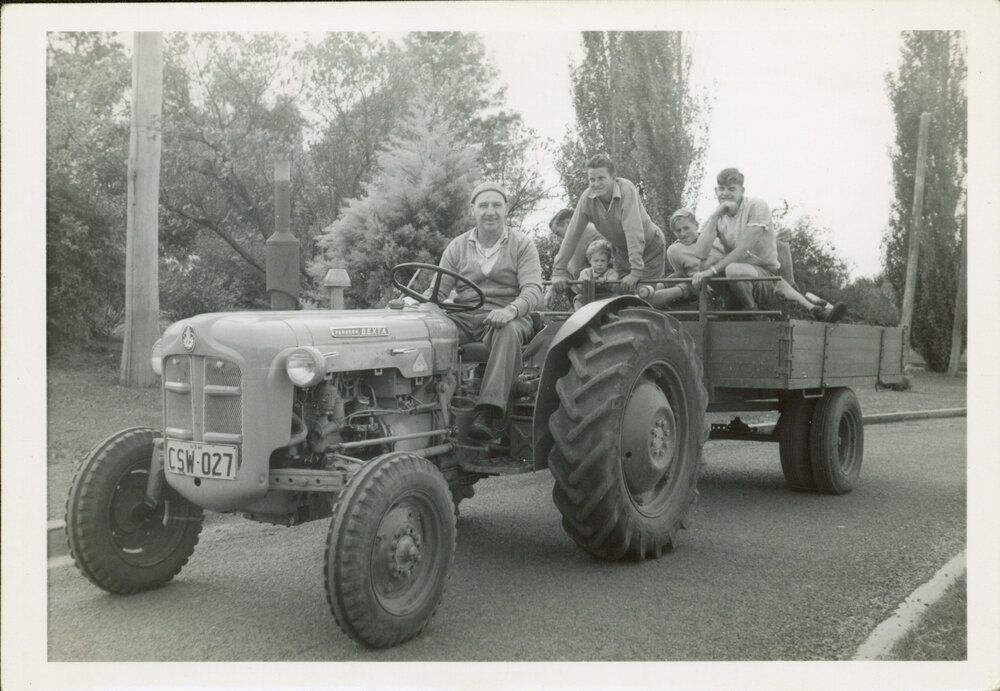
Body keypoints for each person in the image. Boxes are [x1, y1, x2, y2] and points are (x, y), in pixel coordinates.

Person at [432, 181, 543, 443]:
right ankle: (433, 409)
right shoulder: (457, 247)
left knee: (506, 331)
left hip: (509, 317)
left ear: (506, 210)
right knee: (428, 331)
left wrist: (511, 310)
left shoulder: (522, 245)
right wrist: (413, 305)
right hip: (464, 315)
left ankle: (489, 413)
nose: (490, 211)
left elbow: (534, 290)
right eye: (483, 205)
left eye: (496, 205)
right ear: (473, 210)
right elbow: (437, 292)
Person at [688, 168, 846, 322]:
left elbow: (744, 248)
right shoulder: (719, 215)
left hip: (765, 274)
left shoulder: (756, 206)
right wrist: (716, 215)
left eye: (731, 189)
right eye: (721, 189)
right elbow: (700, 253)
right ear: (716, 191)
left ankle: (752, 311)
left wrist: (713, 270)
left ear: (742, 190)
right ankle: (733, 304)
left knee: (732, 269)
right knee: (705, 263)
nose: (725, 193)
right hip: (739, 276)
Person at [550, 155, 667, 297]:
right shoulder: (587, 199)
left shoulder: (626, 189)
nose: (596, 184)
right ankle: (660, 286)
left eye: (601, 178)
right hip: (622, 252)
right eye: (591, 179)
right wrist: (558, 271)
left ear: (613, 177)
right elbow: (571, 235)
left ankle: (673, 289)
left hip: (650, 247)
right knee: (619, 299)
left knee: (643, 297)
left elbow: (633, 232)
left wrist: (636, 271)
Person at [646, 208, 725, 309]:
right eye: (678, 230)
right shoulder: (675, 250)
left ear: (696, 225)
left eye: (686, 228)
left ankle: (644, 303)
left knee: (681, 288)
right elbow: (681, 273)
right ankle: (642, 294)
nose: (683, 234)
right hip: (691, 280)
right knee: (670, 280)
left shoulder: (712, 240)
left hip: (711, 284)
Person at [543, 208, 602, 307]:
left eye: (559, 233)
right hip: (593, 285)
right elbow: (565, 267)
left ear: (568, 222)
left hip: (601, 289)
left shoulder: (584, 231)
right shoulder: (585, 229)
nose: (560, 239)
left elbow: (574, 268)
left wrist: (555, 285)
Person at [572, 239, 619, 311]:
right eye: (596, 261)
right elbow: (579, 286)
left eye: (603, 260)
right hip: (590, 298)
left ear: (608, 261)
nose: (599, 264)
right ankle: (580, 315)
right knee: (578, 298)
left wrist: (607, 281)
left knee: (616, 297)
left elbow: (614, 284)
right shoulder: (586, 272)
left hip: (605, 298)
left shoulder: (611, 272)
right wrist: (583, 282)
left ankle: (610, 314)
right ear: (590, 260)